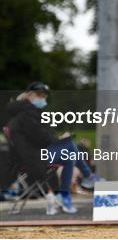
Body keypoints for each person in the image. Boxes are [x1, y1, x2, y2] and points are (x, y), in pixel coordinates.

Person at [5, 82, 102, 214]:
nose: (43, 99)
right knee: (69, 145)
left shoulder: (27, 112)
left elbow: (40, 135)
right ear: (30, 95)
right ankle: (87, 176)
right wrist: (60, 139)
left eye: (44, 96)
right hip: (32, 159)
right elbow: (41, 138)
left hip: (34, 155)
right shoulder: (26, 115)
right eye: (41, 96)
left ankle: (67, 194)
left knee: (69, 155)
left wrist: (58, 138)